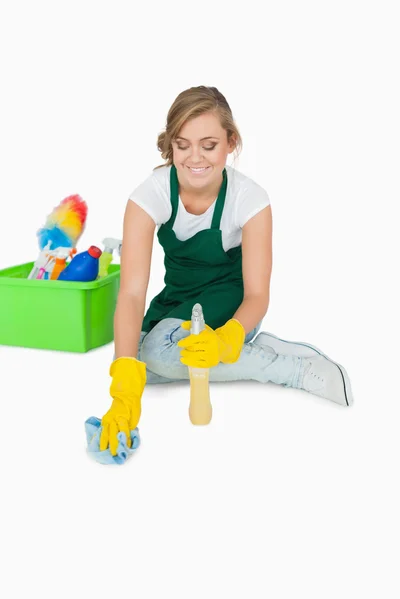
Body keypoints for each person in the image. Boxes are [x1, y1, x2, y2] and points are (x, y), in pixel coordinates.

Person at [99, 86, 353, 455]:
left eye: (209, 144)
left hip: (231, 301)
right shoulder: (149, 195)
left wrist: (228, 337)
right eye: (182, 144)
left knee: (158, 355)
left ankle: (292, 368)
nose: (194, 158)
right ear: (170, 145)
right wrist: (122, 383)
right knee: (138, 362)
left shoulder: (249, 199)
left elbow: (257, 295)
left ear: (230, 142)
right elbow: (133, 293)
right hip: (178, 300)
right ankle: (254, 350)